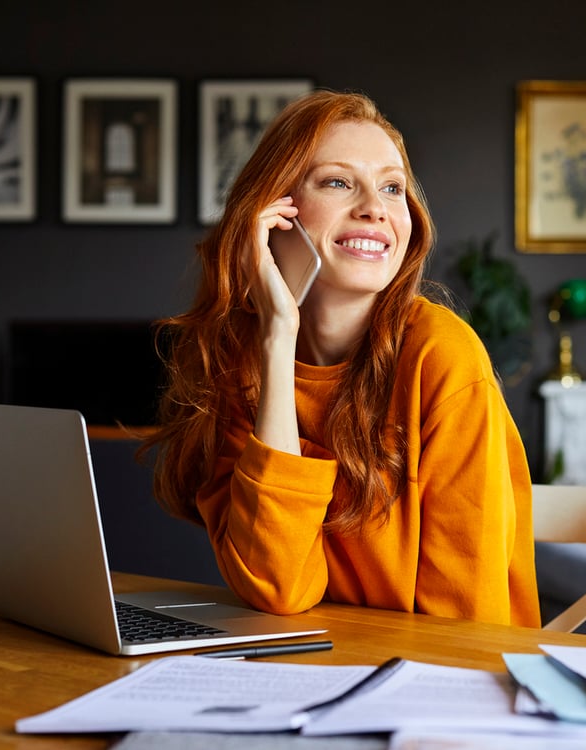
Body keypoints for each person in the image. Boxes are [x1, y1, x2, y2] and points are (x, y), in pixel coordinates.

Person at [144, 89, 540, 628]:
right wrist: (278, 338)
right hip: (314, 675)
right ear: (274, 212)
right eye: (337, 181)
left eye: (392, 187)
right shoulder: (246, 365)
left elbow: (467, 620)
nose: (375, 208)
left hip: (436, 687)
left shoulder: (443, 358)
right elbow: (278, 586)